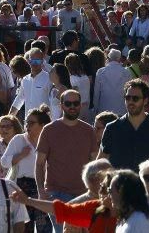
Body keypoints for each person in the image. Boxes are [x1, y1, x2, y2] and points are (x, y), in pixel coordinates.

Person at [98, 80, 149, 191]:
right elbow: (101, 161)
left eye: (135, 98)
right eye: (127, 98)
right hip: (120, 193)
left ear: (145, 101)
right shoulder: (112, 128)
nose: (130, 101)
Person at [36, 89, 97, 231]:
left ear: (80, 105)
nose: (72, 106)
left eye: (76, 103)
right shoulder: (49, 130)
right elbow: (39, 163)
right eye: (68, 103)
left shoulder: (89, 131)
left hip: (84, 193)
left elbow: (95, 163)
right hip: (56, 192)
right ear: (62, 105)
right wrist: (41, 190)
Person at [1, 105, 52, 233]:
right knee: (24, 226)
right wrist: (20, 156)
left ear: (43, 125)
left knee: (44, 226)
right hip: (23, 186)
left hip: (43, 186)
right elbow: (4, 162)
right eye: (26, 122)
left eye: (31, 123)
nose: (27, 126)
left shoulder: (50, 141)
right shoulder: (18, 139)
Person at [10, 48, 52, 116]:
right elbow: (19, 100)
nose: (35, 63)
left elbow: (54, 102)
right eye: (32, 61)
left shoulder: (49, 79)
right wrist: (9, 117)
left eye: (37, 61)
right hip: (28, 122)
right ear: (29, 61)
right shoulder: (25, 79)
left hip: (44, 122)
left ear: (42, 61)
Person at [93, 48, 130, 116]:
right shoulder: (126, 72)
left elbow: (96, 93)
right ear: (119, 59)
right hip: (121, 109)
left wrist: (95, 109)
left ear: (109, 58)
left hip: (103, 109)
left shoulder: (100, 71)